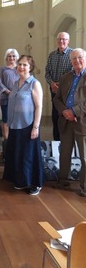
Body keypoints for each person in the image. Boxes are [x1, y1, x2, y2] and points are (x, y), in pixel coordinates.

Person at [3, 55, 43, 195]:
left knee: (29, 156)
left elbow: (39, 107)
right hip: (15, 124)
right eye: (19, 64)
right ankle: (21, 181)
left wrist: (36, 127)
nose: (21, 67)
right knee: (18, 155)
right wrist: (8, 124)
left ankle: (35, 183)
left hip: (28, 125)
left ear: (30, 67)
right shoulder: (15, 83)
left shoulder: (34, 84)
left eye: (25, 65)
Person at [53, 48, 86, 195]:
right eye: (74, 59)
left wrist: (74, 112)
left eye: (80, 58)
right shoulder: (65, 77)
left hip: (82, 122)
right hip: (66, 121)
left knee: (84, 156)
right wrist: (64, 112)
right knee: (65, 153)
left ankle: (84, 186)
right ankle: (62, 180)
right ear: (70, 61)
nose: (77, 61)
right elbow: (57, 98)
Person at [45, 32, 73, 140]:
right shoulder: (51, 55)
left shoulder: (72, 54)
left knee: (65, 115)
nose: (62, 41)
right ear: (57, 41)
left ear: (68, 41)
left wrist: (60, 86)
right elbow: (47, 72)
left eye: (64, 39)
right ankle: (56, 141)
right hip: (53, 90)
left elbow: (72, 73)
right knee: (55, 116)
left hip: (67, 91)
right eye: (60, 39)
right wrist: (51, 83)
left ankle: (66, 141)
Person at [0, 49, 20, 141]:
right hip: (5, 98)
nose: (11, 58)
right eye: (9, 56)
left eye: (13, 56)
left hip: (18, 98)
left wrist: (17, 92)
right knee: (6, 118)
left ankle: (15, 138)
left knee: (16, 118)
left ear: (16, 57)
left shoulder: (19, 68)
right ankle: (7, 139)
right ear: (6, 58)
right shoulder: (2, 69)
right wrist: (7, 92)